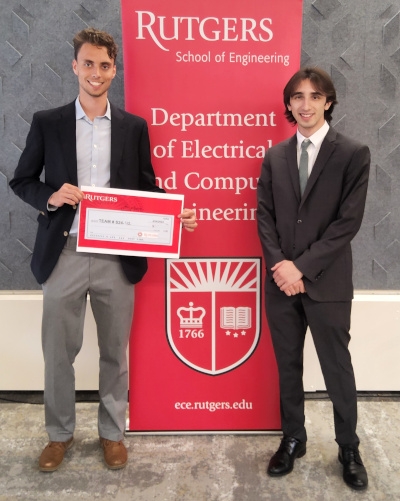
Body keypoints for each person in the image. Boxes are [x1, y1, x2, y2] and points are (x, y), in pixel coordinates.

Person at [9, 27, 197, 472]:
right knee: (58, 352)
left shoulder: (133, 127)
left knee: (116, 350)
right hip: (64, 253)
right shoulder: (47, 122)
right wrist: (51, 197)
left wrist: (173, 213)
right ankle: (59, 435)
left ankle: (112, 433)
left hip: (117, 255)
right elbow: (22, 180)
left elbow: (146, 187)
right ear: (75, 66)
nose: (96, 73)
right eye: (88, 64)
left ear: (115, 70)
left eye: (105, 65)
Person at [256, 67, 370, 490]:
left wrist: (300, 267)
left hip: (327, 283)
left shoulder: (353, 153)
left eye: (315, 96)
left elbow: (347, 223)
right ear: (288, 104)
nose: (306, 104)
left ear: (328, 102)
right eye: (298, 97)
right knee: (288, 366)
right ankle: (293, 439)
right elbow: (264, 218)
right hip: (280, 283)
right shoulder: (274, 157)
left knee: (337, 367)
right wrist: (281, 267)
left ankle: (349, 447)